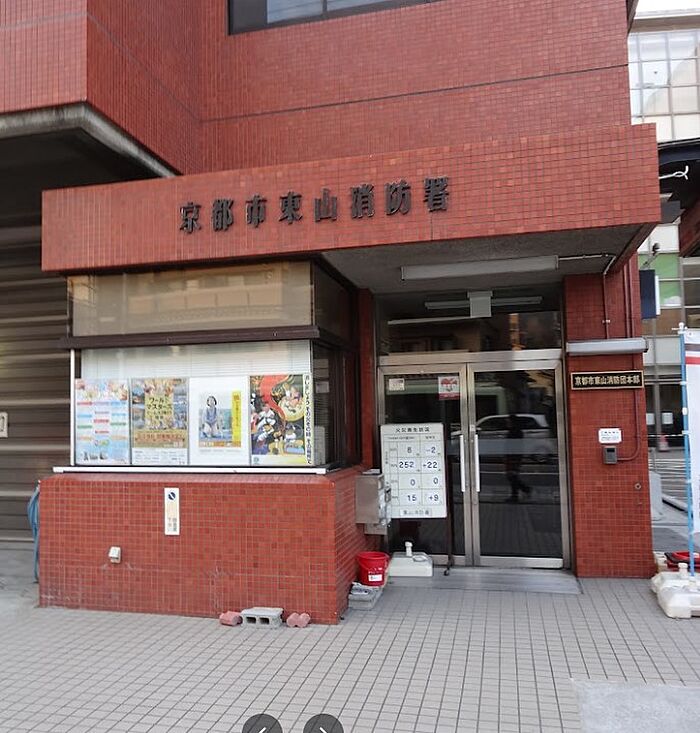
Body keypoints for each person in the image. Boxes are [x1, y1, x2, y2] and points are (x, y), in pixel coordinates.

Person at [504, 414, 531, 503]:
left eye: (508, 422)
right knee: (512, 476)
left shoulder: (515, 432)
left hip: (513, 456)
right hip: (513, 455)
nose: (507, 423)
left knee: (512, 476)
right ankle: (520, 492)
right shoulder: (515, 431)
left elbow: (514, 444)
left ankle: (520, 492)